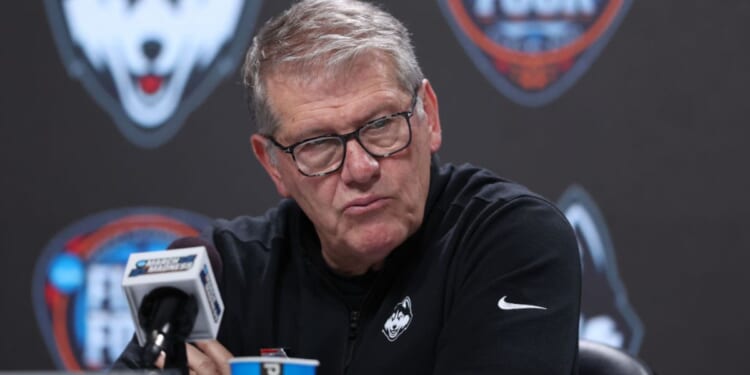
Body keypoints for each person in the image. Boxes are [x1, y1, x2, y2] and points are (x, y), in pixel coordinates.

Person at [114, 0, 581, 373]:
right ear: (273, 164)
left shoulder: (508, 240)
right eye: (318, 144)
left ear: (429, 117)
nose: (359, 168)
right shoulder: (225, 276)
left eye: (380, 125)